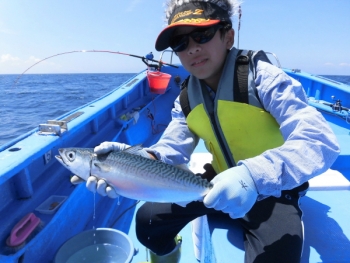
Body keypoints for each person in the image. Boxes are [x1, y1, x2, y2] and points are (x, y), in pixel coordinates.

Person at [71, 0, 340, 262]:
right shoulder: (186, 97)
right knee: (147, 222)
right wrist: (136, 161)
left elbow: (319, 140)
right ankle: (170, 254)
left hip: (272, 190)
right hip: (213, 184)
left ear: (228, 36)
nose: (191, 49)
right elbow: (171, 150)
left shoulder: (262, 78)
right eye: (180, 43)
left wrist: (252, 176)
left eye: (202, 35)